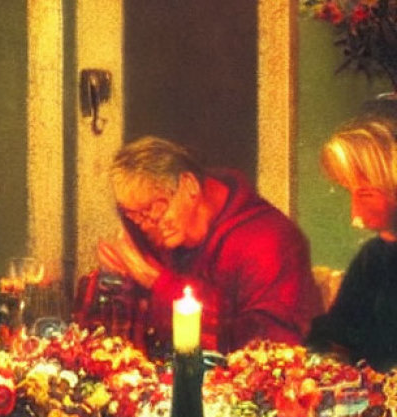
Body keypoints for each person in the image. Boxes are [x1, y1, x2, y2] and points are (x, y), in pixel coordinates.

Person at [96, 136, 322, 355]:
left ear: (189, 186)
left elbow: (267, 347)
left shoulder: (270, 241)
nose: (146, 226)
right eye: (134, 216)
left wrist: (156, 280)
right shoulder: (153, 229)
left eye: (155, 209)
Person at [307, 116, 397, 371]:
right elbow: (337, 332)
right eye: (351, 192)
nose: (355, 211)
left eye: (366, 193)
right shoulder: (373, 256)